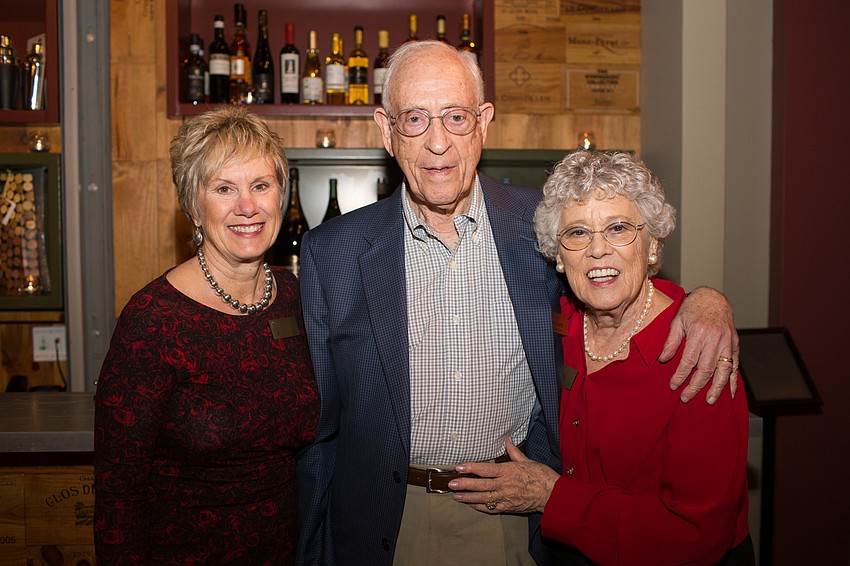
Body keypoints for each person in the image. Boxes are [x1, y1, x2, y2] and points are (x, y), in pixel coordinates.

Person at [296, 40, 739, 566]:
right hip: (386, 520)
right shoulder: (334, 253)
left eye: (455, 117)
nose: (437, 142)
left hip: (516, 518)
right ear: (385, 130)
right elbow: (319, 433)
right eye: (414, 119)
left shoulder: (541, 226)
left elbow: (615, 276)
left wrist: (706, 301)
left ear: (483, 122)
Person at [450, 151, 754, 565]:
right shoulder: (561, 323)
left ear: (651, 246)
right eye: (577, 233)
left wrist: (551, 497)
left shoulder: (697, 353)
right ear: (558, 255)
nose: (597, 250)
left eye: (618, 228)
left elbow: (695, 533)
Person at [94, 106, 319, 565]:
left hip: (290, 552)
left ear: (282, 193)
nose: (247, 207)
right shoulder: (153, 319)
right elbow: (119, 492)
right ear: (193, 207)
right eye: (223, 189)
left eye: (261, 185)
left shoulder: (300, 298)